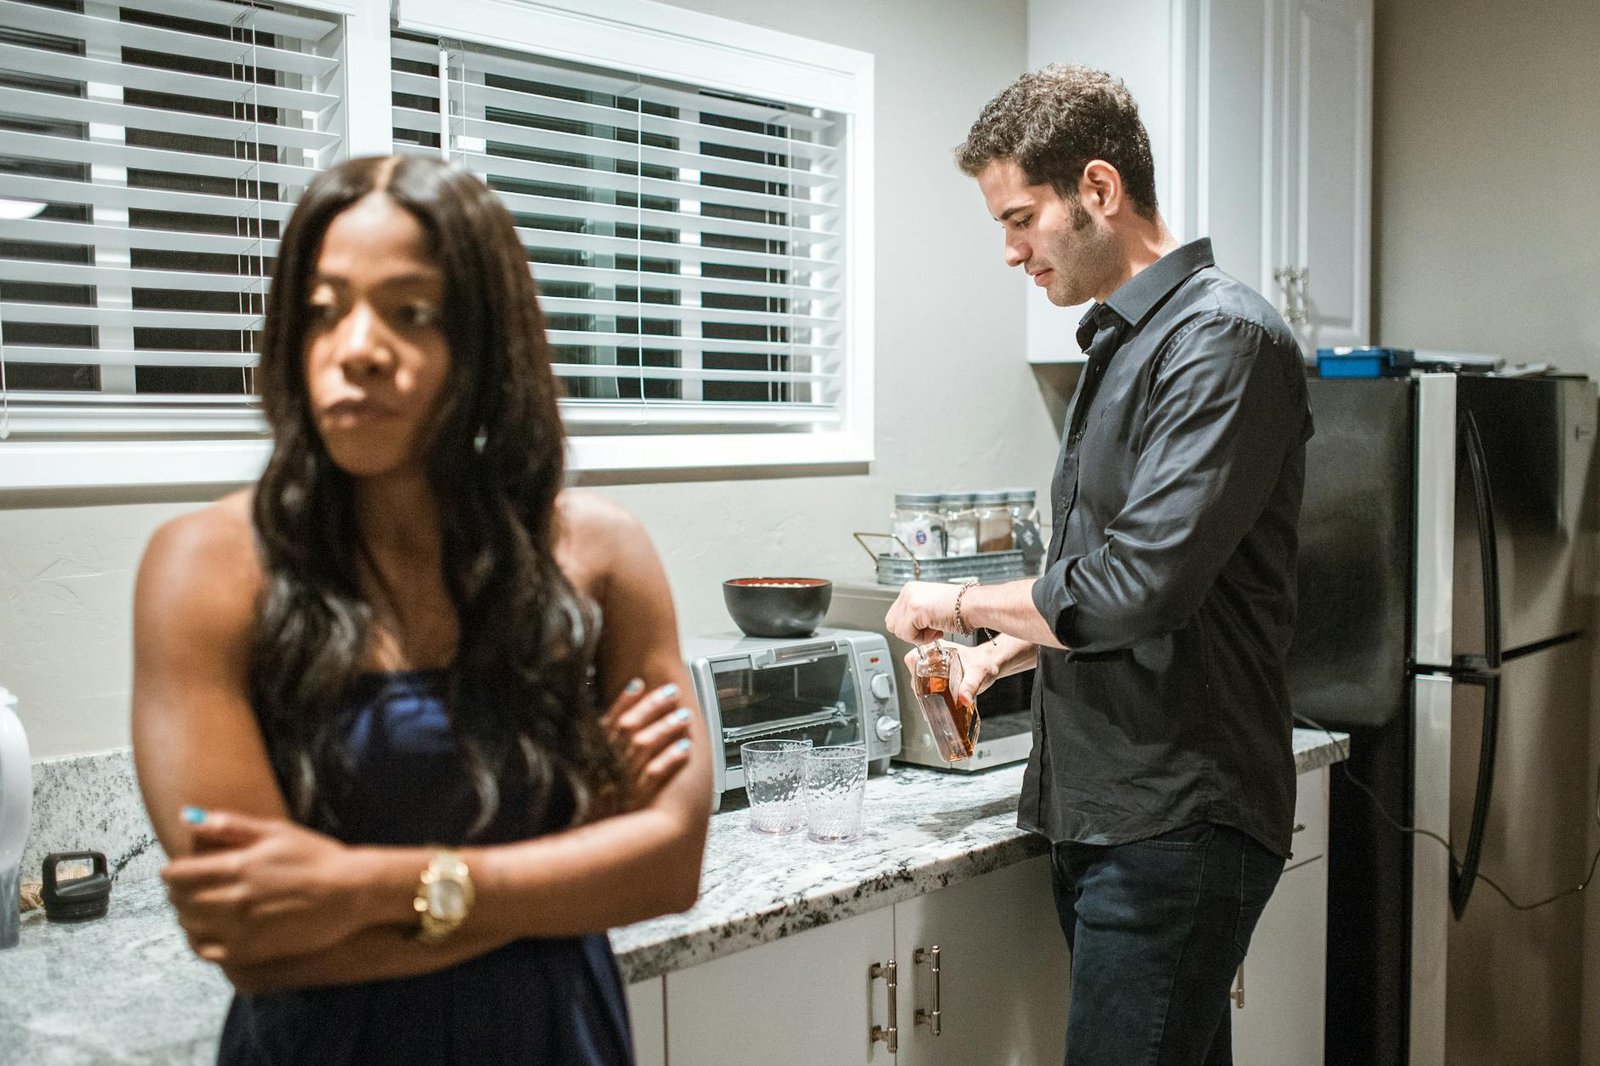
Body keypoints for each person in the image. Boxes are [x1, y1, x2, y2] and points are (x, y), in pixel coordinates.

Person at [130, 154, 712, 1065]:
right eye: (323, 310)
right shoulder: (203, 568)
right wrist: (571, 855)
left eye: (412, 312)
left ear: (486, 343)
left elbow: (669, 867)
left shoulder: (601, 555)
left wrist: (362, 886)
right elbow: (254, 942)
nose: (356, 346)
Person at [885, 65, 1313, 1065]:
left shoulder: (1223, 337)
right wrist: (1005, 655)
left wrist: (953, 601)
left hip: (1176, 814)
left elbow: (1140, 587)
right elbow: (1126, 586)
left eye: (1021, 217)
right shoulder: (1123, 342)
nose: (1009, 250)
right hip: (1108, 811)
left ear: (1098, 189)